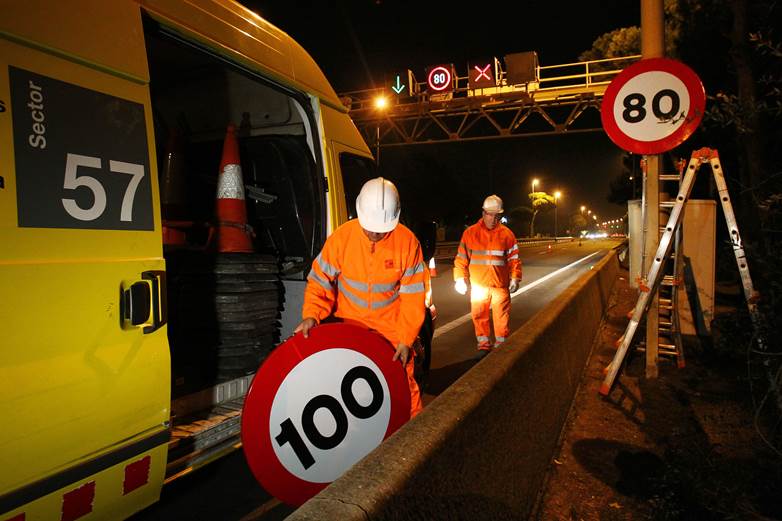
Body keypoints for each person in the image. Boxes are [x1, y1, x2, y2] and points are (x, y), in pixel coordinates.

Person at [294, 177, 428, 417]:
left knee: (403, 390)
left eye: (382, 229)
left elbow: (413, 297)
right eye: (370, 227)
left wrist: (406, 340)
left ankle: (416, 438)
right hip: (349, 329)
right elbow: (320, 280)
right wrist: (312, 315)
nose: (375, 233)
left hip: (391, 333)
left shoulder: (408, 243)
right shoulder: (342, 238)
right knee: (346, 393)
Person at [453, 195, 522, 355]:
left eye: (497, 216)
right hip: (479, 285)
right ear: (483, 213)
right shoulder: (470, 234)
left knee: (502, 318)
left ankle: (501, 347)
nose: (493, 219)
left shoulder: (507, 235)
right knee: (479, 315)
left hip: (500, 285)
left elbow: (514, 259)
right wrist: (459, 278)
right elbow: (461, 259)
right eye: (490, 215)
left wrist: (515, 277)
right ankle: (483, 345)